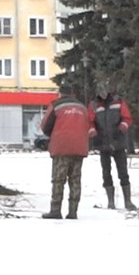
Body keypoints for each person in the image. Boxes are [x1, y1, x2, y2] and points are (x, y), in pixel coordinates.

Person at [38, 88, 94, 220]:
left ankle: (55, 210)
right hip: (79, 147)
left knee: (58, 179)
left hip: (61, 147)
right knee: (75, 180)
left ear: (60, 94)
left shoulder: (56, 105)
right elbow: (89, 126)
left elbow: (45, 126)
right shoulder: (82, 107)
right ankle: (73, 212)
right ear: (73, 94)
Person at [94, 90, 136, 211]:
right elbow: (90, 121)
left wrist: (121, 129)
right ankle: (110, 201)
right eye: (100, 91)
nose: (102, 93)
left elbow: (127, 118)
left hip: (118, 142)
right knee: (106, 173)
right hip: (103, 143)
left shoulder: (119, 101)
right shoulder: (94, 104)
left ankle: (128, 201)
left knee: (123, 172)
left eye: (104, 90)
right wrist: (93, 134)